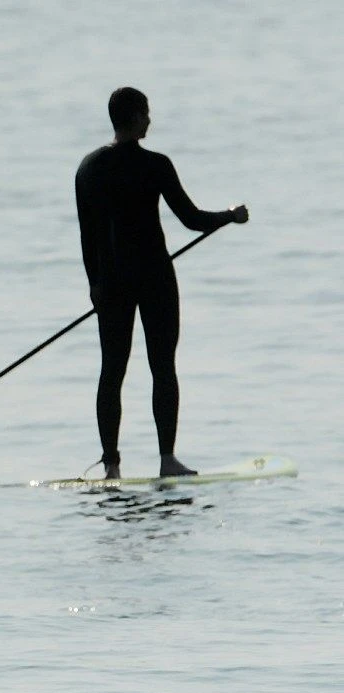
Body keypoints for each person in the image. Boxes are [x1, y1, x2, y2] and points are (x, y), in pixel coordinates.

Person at [75, 87, 248, 480]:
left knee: (111, 371)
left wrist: (95, 286)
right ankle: (167, 459)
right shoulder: (155, 165)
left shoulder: (87, 168)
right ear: (134, 117)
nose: (150, 120)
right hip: (154, 278)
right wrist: (230, 216)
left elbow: (87, 238)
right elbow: (191, 218)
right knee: (163, 367)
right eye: (146, 113)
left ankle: (111, 466)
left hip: (112, 284)